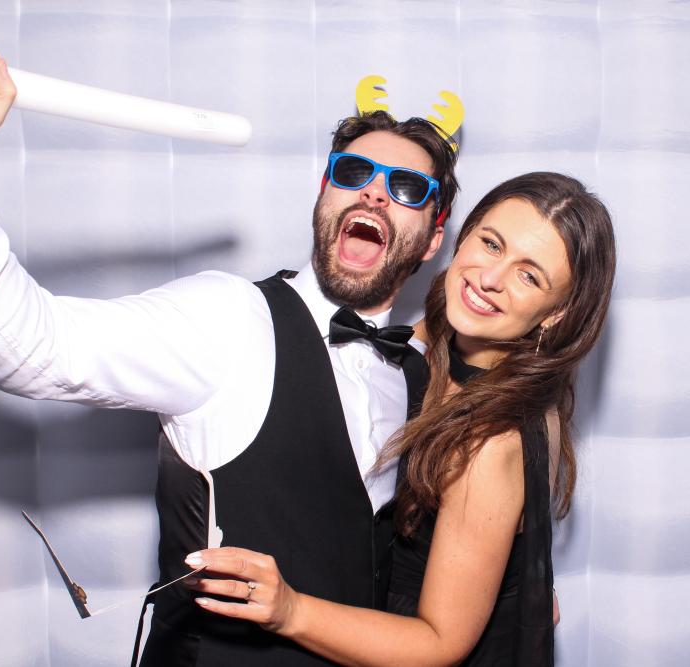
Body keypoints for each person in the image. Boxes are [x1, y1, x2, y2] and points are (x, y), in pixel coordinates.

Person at [0, 33, 458, 666]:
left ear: (433, 237)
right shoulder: (228, 319)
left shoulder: (419, 376)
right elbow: (32, 345)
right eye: (354, 173)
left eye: (408, 187)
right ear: (323, 192)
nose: (375, 194)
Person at [185, 171, 617, 666]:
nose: (490, 279)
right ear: (464, 236)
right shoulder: (451, 333)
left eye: (529, 276)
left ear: (557, 313)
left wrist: (289, 610)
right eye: (491, 243)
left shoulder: (488, 443)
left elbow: (440, 643)